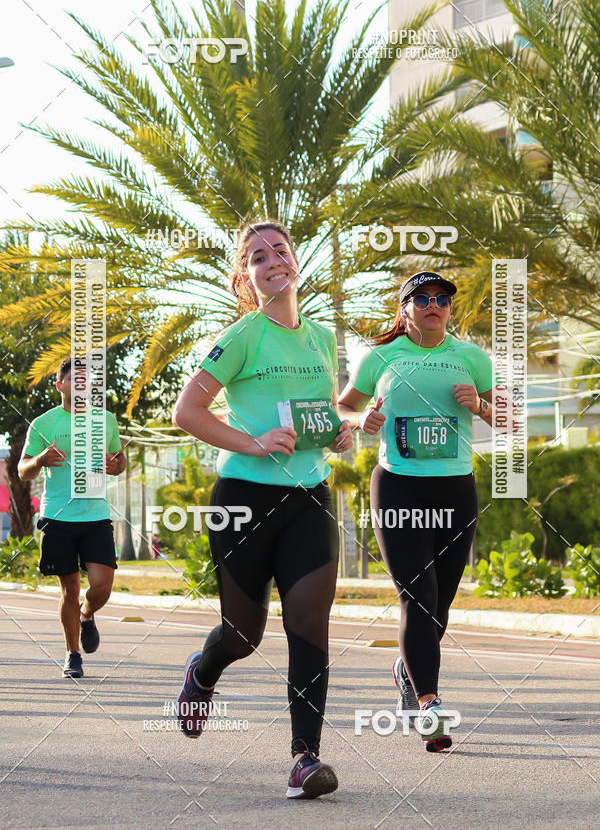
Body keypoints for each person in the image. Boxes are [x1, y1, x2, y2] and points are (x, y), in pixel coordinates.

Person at [172, 220, 352, 799]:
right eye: (257, 256)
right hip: (244, 501)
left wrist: (338, 432)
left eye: (280, 250)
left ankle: (305, 758)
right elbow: (187, 411)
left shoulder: (321, 338)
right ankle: (203, 672)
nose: (272, 260)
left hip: (310, 498)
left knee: (309, 621)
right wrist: (252, 443)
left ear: (295, 261)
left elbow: (318, 414)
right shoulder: (243, 335)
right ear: (244, 278)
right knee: (242, 635)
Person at [338, 271, 498, 752]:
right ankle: (430, 705)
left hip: (455, 489)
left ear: (450, 309)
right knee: (418, 596)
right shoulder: (380, 357)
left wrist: (481, 406)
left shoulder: (471, 358)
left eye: (442, 299)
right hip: (398, 488)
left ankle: (406, 670)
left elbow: (510, 416)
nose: (434, 304)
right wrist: (360, 419)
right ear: (404, 308)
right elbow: (341, 409)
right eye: (423, 298)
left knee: (440, 604)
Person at [18, 358, 126, 678]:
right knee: (70, 588)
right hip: (58, 516)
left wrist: (115, 465)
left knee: (102, 585)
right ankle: (72, 654)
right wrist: (40, 459)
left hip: (95, 514)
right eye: (74, 380)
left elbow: (120, 460)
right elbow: (23, 471)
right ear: (59, 385)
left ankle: (87, 614)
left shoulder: (106, 420)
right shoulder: (43, 423)